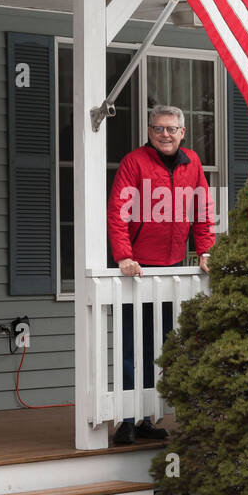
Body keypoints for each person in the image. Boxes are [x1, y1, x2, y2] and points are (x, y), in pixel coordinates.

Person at [106, 105, 214, 444]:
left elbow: (202, 210)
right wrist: (124, 256)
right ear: (149, 131)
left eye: (171, 128)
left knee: (160, 348)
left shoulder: (192, 163)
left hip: (171, 272)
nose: (164, 134)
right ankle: (125, 420)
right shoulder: (134, 162)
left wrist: (206, 249)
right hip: (136, 271)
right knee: (128, 347)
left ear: (182, 132)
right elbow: (118, 213)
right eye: (158, 128)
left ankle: (146, 418)